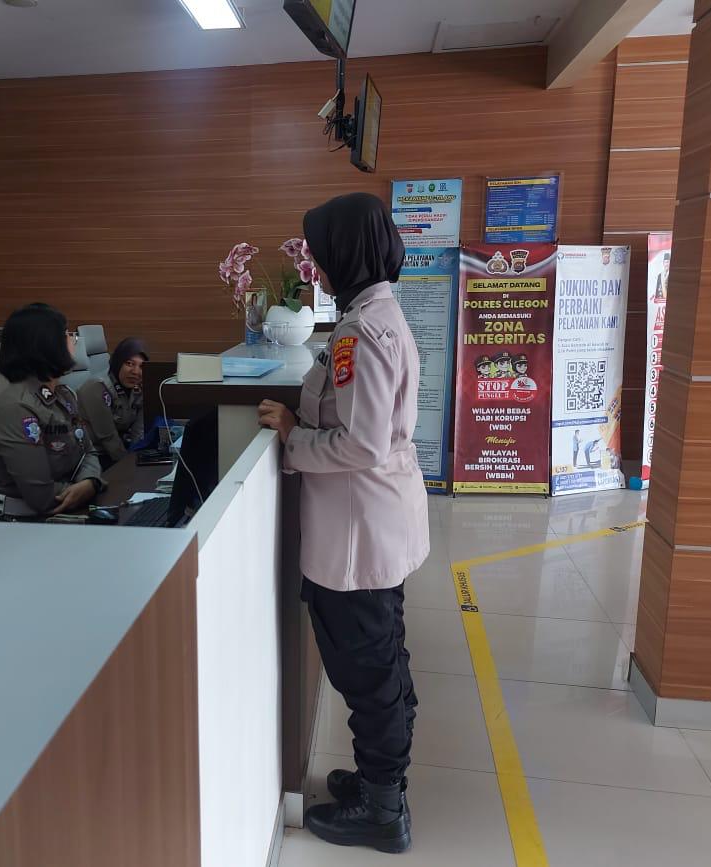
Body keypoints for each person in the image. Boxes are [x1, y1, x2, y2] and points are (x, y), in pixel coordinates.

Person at [258, 192, 429, 854]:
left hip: (359, 535)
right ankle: (379, 782)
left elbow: (361, 443)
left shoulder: (361, 331)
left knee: (368, 673)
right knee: (381, 661)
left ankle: (383, 810)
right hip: (375, 525)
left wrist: (293, 437)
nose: (316, 267)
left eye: (321, 254)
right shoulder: (375, 315)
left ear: (346, 253)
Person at [0, 303, 104, 521]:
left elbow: (89, 452)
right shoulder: (17, 408)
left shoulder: (65, 396)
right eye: (67, 334)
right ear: (49, 345)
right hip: (6, 523)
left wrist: (91, 482)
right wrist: (85, 489)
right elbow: (42, 497)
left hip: (53, 512)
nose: (73, 340)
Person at [77, 337, 148, 466]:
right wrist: (128, 465)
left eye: (141, 366)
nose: (136, 372)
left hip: (119, 449)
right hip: (92, 455)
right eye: (129, 363)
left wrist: (137, 455)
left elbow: (138, 430)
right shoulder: (97, 387)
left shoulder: (138, 388)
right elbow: (108, 437)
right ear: (118, 362)